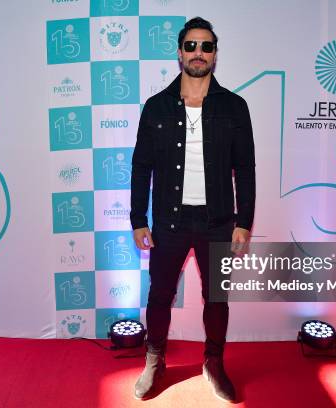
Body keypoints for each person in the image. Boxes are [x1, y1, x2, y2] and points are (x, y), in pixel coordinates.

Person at [130, 17, 255, 402]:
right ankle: (155, 360)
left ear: (215, 54)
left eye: (206, 46)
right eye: (191, 46)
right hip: (169, 221)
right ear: (179, 52)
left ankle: (213, 363)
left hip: (219, 223)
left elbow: (245, 168)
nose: (198, 53)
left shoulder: (235, 107)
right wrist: (138, 219)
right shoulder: (155, 107)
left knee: (217, 297)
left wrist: (243, 222)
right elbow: (141, 166)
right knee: (160, 296)